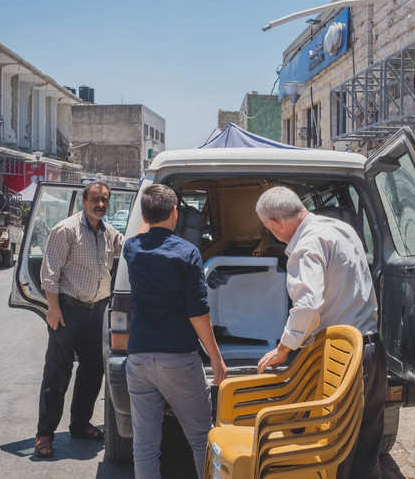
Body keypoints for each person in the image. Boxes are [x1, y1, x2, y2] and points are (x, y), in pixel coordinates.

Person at [255, 186, 386, 479]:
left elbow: (308, 304)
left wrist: (284, 348)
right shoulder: (339, 228)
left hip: (344, 357)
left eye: (268, 228)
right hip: (372, 349)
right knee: (367, 444)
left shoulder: (306, 245)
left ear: (275, 223)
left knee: (336, 450)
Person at [123, 184, 227, 479]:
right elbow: (197, 312)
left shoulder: (132, 248)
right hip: (177, 357)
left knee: (145, 443)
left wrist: (151, 209)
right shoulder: (187, 252)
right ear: (175, 213)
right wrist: (216, 358)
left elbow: (144, 231)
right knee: (200, 438)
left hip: (139, 357)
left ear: (144, 214)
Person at [34, 182, 124, 458]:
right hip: (68, 310)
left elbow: (131, 247)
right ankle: (44, 435)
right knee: (57, 372)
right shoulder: (66, 230)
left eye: (105, 200)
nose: (100, 204)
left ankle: (80, 424)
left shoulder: (108, 232)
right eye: (95, 199)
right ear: (84, 201)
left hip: (98, 311)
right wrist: (53, 308)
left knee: (93, 370)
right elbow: (49, 273)